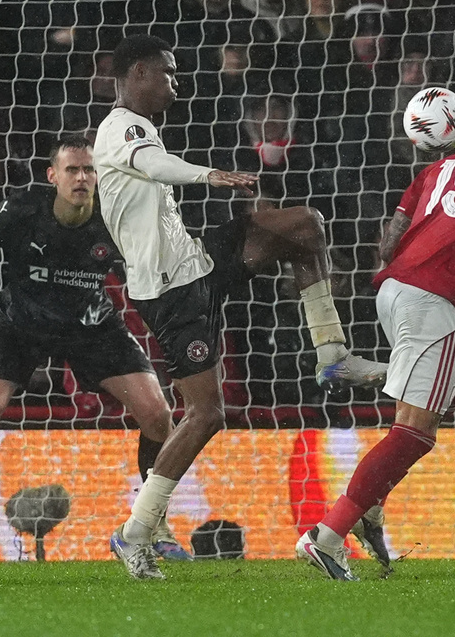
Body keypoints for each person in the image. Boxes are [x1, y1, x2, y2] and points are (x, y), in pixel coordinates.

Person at [95, 34, 385, 580]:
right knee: (206, 415)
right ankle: (134, 533)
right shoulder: (120, 130)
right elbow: (154, 165)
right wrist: (211, 175)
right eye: (168, 73)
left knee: (305, 227)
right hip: (171, 293)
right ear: (137, 74)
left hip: (198, 265)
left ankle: (333, 354)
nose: (175, 84)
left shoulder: (142, 126)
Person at [296, 112, 455, 581]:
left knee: (446, 395)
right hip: (436, 296)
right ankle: (327, 536)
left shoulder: (437, 168)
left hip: (392, 289)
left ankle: (369, 510)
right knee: (414, 433)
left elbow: (388, 243)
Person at [0, 136, 185, 562]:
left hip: (92, 327)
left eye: (90, 170)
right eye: (72, 170)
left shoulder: (115, 216)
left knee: (158, 415)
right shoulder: (23, 208)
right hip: (23, 325)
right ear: (53, 176)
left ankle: (152, 523)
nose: (82, 178)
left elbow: (150, 266)